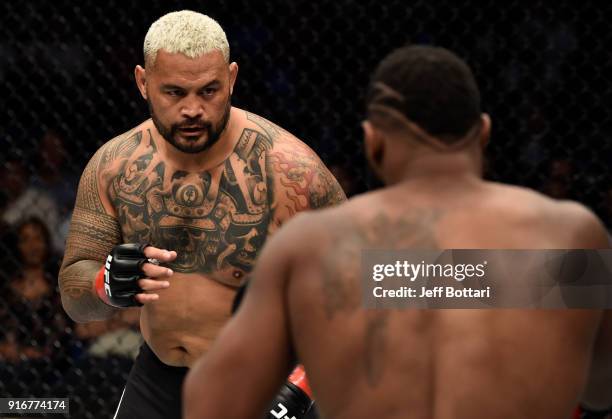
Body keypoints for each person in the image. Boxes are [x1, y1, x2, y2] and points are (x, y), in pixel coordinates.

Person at [183, 45, 612, 419]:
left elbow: (214, 404)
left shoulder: (315, 247)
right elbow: (601, 389)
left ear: (373, 143)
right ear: (483, 133)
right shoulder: (570, 235)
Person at [58, 10, 345, 419]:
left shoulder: (290, 172)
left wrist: (302, 385)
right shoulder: (113, 168)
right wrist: (105, 285)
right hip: (159, 380)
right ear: (143, 82)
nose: (193, 109)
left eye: (209, 91)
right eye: (174, 92)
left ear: (231, 78)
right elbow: (74, 295)